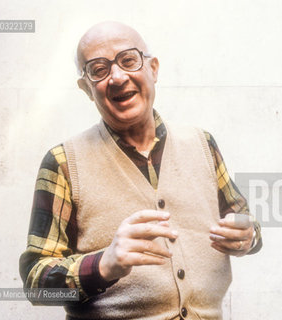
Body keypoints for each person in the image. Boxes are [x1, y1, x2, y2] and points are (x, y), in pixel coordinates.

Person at [19, 21, 262, 320]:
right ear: (86, 88)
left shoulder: (202, 143)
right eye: (99, 69)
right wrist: (102, 266)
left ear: (153, 68)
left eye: (128, 60)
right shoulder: (63, 162)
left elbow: (247, 225)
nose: (118, 77)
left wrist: (248, 236)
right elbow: (35, 283)